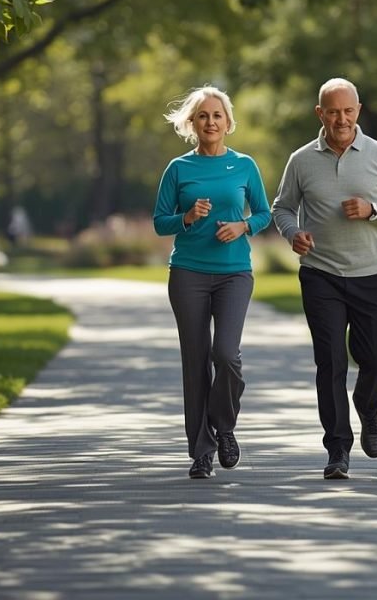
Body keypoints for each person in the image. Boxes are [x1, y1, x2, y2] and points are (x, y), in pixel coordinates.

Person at [272, 77, 377, 480]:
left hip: (372, 274)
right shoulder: (301, 160)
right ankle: (337, 449)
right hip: (321, 275)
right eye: (332, 111)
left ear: (358, 110)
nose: (341, 119)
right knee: (330, 361)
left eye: (347, 110)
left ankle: (368, 408)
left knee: (375, 358)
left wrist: (373, 210)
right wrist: (292, 233)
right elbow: (281, 208)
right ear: (320, 113)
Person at [153, 86, 271, 480]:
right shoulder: (178, 169)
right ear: (192, 123)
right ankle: (200, 452)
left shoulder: (244, 165)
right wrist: (186, 218)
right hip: (188, 273)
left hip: (235, 273)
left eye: (217, 115)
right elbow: (159, 222)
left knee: (226, 354)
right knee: (196, 360)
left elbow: (265, 214)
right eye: (202, 116)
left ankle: (225, 426)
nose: (210, 122)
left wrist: (243, 226)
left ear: (228, 121)